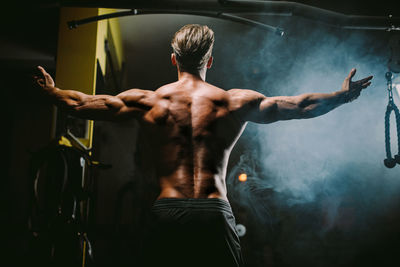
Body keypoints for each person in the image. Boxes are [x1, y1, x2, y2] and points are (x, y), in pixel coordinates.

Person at [34, 24, 372, 267]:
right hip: (213, 213)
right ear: (209, 61)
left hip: (168, 212)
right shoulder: (232, 102)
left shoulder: (149, 102)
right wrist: (341, 96)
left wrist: (52, 92)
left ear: (173, 60)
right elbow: (299, 106)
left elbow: (82, 103)